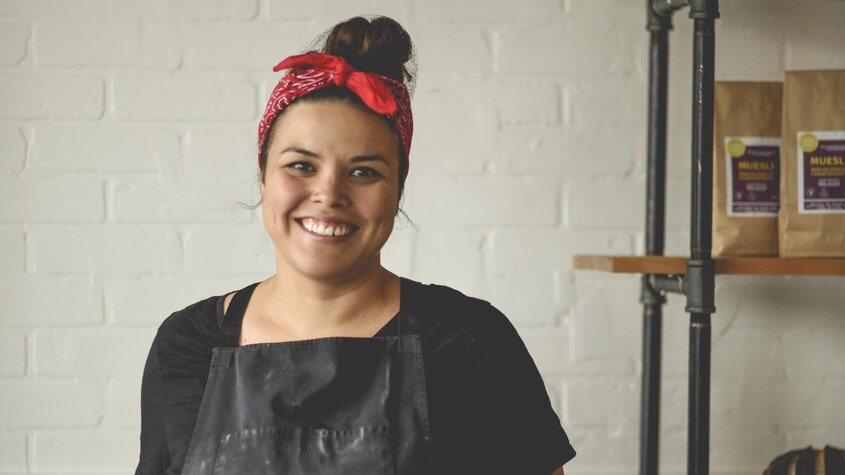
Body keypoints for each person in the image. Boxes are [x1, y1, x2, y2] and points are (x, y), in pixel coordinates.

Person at [136, 15, 575, 475]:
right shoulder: (187, 346)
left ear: (398, 189)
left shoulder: (468, 343)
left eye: (364, 171)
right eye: (301, 166)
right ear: (263, 176)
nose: (329, 194)